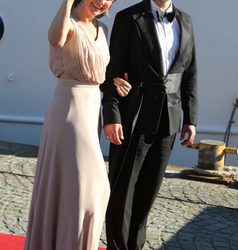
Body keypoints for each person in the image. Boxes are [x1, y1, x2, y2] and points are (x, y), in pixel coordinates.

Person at [101, 0, 198, 249]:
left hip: (170, 118)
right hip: (134, 114)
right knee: (123, 189)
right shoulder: (128, 17)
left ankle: (136, 244)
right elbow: (113, 71)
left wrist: (190, 118)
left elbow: (190, 74)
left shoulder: (185, 21)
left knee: (149, 190)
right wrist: (111, 116)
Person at [24, 0, 118, 249]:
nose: (103, 1)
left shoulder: (103, 30)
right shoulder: (68, 23)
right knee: (97, 187)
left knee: (78, 187)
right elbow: (56, 40)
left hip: (91, 111)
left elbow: (97, 72)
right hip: (69, 110)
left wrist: (114, 82)